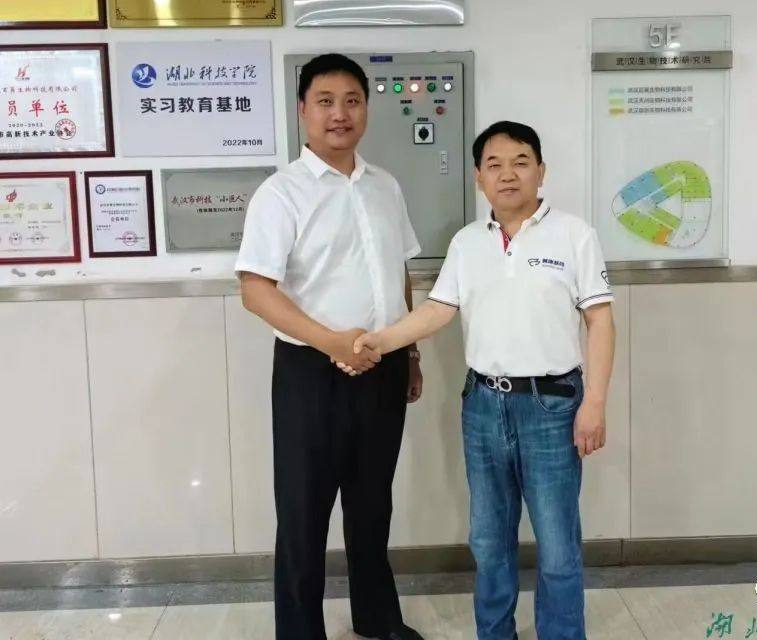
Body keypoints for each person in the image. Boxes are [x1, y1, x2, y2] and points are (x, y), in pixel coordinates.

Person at [344, 120, 616, 640]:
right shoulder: (468, 243)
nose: (507, 174)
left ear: (541, 171)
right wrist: (380, 341)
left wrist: (595, 403)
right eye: (494, 165)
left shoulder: (574, 234)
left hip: (552, 405)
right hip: (484, 406)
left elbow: (600, 321)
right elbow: (438, 309)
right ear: (478, 177)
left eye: (520, 162)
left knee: (558, 546)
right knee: (489, 542)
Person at [235, 53, 425, 640]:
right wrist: (331, 343)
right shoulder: (281, 193)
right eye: (325, 101)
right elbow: (255, 290)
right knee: (303, 513)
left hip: (383, 367)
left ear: (366, 109)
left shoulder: (386, 186)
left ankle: (377, 618)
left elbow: (398, 273)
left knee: (373, 504)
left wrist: (409, 353)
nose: (340, 113)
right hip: (311, 372)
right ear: (303, 111)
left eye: (352, 101)